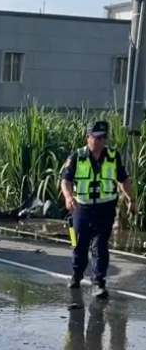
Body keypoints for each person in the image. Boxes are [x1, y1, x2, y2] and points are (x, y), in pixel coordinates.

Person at [60, 120, 136, 299]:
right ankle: (76, 275)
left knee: (100, 246)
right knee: (79, 245)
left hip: (105, 209)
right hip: (82, 208)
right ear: (88, 137)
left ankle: (98, 283)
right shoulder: (77, 157)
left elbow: (123, 180)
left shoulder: (112, 156)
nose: (102, 141)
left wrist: (131, 200)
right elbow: (66, 180)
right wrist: (68, 197)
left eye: (104, 137)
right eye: (98, 137)